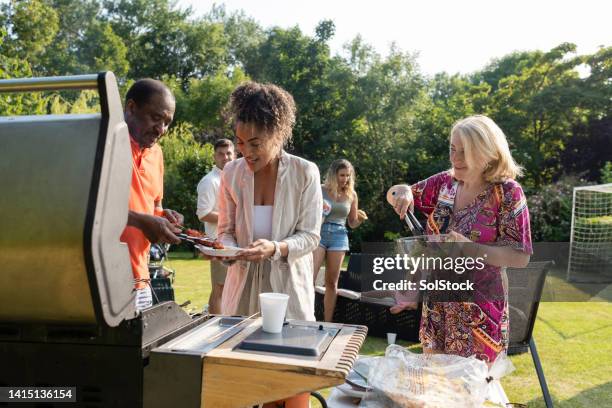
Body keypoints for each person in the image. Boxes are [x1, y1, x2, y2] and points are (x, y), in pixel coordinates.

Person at [213, 82, 322, 408]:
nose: (246, 151)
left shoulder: (305, 172)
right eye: (240, 142)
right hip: (243, 290)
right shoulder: (231, 173)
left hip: (288, 291)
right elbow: (225, 230)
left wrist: (275, 248)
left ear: (278, 134)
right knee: (241, 381)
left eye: (256, 143)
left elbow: (311, 236)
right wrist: (230, 250)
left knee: (291, 381)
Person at [390, 115, 532, 364]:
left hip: (480, 317)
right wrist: (400, 191)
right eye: (453, 149)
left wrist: (470, 248)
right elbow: (400, 195)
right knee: (436, 392)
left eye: (464, 152)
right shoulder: (445, 183)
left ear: (487, 152)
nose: (455, 159)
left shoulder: (507, 192)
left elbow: (520, 256)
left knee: (471, 394)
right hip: (436, 310)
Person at [120, 79, 183, 311]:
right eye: (156, 118)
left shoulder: (157, 154)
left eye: (167, 122)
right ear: (131, 108)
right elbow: (84, 208)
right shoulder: (103, 143)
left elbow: (154, 205)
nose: (161, 129)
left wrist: (164, 217)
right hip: (103, 277)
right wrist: (142, 221)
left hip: (141, 277)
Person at [313, 159, 367, 322]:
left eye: (348, 176)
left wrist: (360, 220)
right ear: (333, 174)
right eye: (342, 175)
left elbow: (352, 223)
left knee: (331, 282)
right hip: (319, 233)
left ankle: (327, 322)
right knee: (310, 278)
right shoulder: (320, 190)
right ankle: (307, 317)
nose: (345, 179)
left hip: (339, 236)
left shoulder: (352, 194)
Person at [196, 138, 235, 314]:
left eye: (229, 153)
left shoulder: (239, 178)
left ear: (235, 155)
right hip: (218, 244)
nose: (225, 157)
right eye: (221, 154)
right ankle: (214, 326)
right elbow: (203, 213)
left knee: (232, 289)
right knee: (220, 288)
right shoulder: (209, 181)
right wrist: (235, 218)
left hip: (235, 243)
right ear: (214, 157)